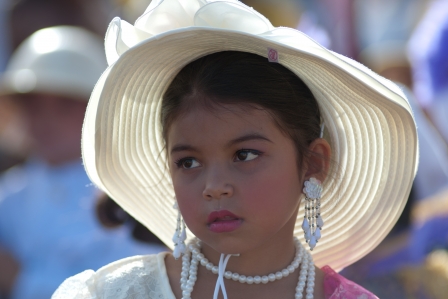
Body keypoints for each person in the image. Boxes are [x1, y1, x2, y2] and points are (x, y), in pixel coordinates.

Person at [52, 0, 418, 298]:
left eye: (244, 155)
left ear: (313, 163)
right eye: (188, 162)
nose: (214, 185)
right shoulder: (118, 294)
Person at [0, 26, 165, 299]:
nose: (46, 118)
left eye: (64, 103)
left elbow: (134, 289)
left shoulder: (127, 192)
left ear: (99, 108)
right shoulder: (9, 194)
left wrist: (21, 278)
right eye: (32, 103)